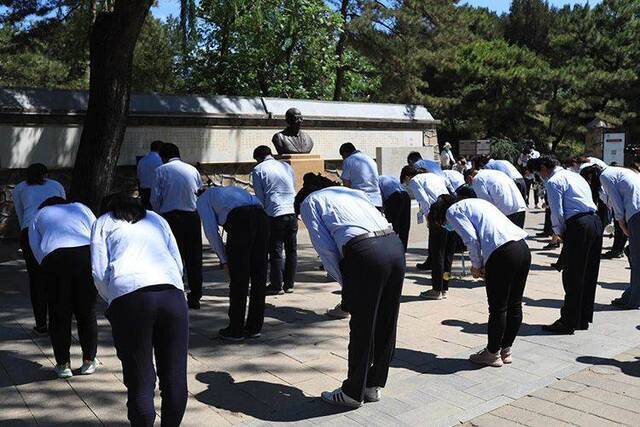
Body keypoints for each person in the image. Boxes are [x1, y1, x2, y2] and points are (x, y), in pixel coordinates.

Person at [297, 182, 405, 408]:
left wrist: (347, 285)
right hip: (394, 245)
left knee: (362, 326)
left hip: (365, 252)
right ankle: (373, 386)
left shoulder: (309, 202)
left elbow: (325, 249)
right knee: (387, 320)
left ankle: (353, 392)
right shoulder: (349, 191)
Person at [91, 194, 188, 426]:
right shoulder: (156, 219)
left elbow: (98, 270)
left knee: (140, 379)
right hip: (171, 294)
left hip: (130, 297)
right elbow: (177, 259)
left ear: (109, 208)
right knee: (174, 377)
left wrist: (113, 299)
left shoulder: (103, 222)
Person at [430, 195, 530, 367]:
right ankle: (505, 350)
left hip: (503, 253)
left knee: (498, 307)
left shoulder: (453, 211)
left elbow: (471, 239)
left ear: (440, 214)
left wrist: (476, 265)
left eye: (441, 223)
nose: (446, 227)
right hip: (521, 248)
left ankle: (492, 353)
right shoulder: (476, 203)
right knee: (514, 304)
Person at [528, 157, 603, 334]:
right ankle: (581, 318)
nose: (540, 177)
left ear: (544, 167)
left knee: (573, 275)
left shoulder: (554, 181)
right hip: (594, 221)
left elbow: (557, 211)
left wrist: (558, 232)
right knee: (588, 273)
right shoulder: (574, 175)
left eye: (539, 172)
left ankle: (568, 321)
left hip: (578, 226)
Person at [29, 197, 97, 379]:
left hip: (55, 257)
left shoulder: (39, 214)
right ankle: (89, 360)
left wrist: (46, 265)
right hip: (84, 254)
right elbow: (96, 231)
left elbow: (35, 246)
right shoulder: (81, 207)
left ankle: (63, 364)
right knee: (87, 311)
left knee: (59, 313)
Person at [196, 185, 268, 341]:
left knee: (239, 280)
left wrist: (224, 260)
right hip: (261, 217)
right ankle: (255, 327)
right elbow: (257, 203)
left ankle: (235, 329)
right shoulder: (228, 191)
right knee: (258, 276)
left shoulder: (202, 200)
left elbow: (211, 231)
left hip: (240, 221)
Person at [12, 163, 66, 334]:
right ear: (46, 174)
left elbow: (20, 213)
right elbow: (63, 205)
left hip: (30, 230)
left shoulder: (20, 188)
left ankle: (41, 323)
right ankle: (59, 320)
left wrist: (25, 232)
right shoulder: (56, 185)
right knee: (57, 277)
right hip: (55, 230)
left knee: (36, 279)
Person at [151, 143, 204, 309]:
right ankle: (195, 295)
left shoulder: (161, 171)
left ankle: (176, 293)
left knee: (173, 257)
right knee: (194, 257)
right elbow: (199, 191)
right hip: (192, 216)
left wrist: (159, 215)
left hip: (171, 217)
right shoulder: (192, 170)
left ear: (163, 156)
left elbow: (155, 198)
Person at [401, 165, 453, 300]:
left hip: (436, 216)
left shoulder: (415, 181)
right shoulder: (434, 176)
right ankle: (444, 287)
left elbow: (424, 201)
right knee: (447, 255)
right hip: (449, 214)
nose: (407, 184)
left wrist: (429, 220)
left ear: (407, 176)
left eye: (405, 181)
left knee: (437, 255)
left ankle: (436, 289)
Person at [251, 146, 298, 295]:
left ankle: (276, 285)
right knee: (291, 250)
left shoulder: (258, 169)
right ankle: (289, 284)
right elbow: (293, 187)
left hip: (275, 213)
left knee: (276, 250)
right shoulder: (285, 165)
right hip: (290, 210)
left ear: (258, 158)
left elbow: (259, 197)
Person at [599, 166, 640, 309]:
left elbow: (615, 202)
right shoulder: (622, 171)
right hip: (636, 210)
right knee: (630, 252)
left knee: (636, 258)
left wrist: (621, 222)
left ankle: (634, 299)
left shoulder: (605, 176)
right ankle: (632, 293)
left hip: (636, 213)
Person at [340, 143, 383, 208]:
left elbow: (346, 185)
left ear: (345, 153)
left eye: (342, 156)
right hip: (376, 200)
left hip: (360, 201)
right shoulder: (370, 159)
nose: (343, 159)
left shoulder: (348, 161)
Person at [378, 175, 411, 251]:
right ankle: (403, 249)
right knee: (405, 224)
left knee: (392, 224)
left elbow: (380, 197)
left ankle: (392, 248)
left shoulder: (376, 182)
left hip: (394, 197)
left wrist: (382, 210)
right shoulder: (388, 177)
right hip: (405, 195)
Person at [137, 140, 164, 209]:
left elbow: (139, 177)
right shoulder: (161, 161)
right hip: (155, 191)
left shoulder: (142, 160)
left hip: (143, 191)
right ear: (161, 149)